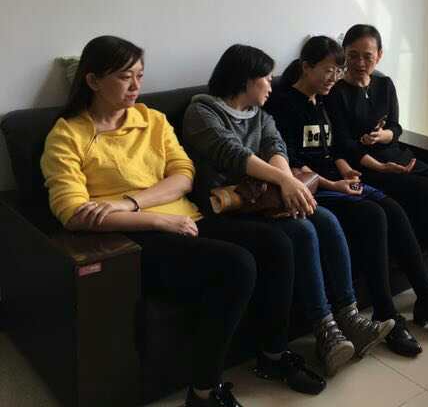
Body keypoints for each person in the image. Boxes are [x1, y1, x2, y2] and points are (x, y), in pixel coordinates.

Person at [40, 36, 262, 407]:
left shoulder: (152, 119)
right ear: (93, 81)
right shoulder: (67, 135)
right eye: (125, 77)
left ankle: (273, 355)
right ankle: (204, 391)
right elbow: (73, 212)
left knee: (276, 243)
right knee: (238, 264)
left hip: (185, 218)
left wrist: (128, 202)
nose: (135, 86)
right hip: (137, 240)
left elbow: (183, 175)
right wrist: (157, 221)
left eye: (140, 76)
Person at [181, 44, 394, 377]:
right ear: (245, 80)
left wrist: (288, 187)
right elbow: (232, 154)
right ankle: (326, 331)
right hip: (228, 206)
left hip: (266, 200)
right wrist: (286, 181)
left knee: (325, 218)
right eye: (266, 78)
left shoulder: (260, 115)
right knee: (303, 229)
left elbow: (275, 146)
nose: (272, 84)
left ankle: (350, 318)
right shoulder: (202, 112)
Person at [268, 36, 428, 353]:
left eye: (337, 71)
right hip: (314, 188)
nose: (334, 78)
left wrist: (346, 171)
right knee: (374, 215)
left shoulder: (321, 100)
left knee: (394, 210)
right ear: (306, 67)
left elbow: (333, 151)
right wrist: (334, 185)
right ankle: (387, 313)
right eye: (328, 70)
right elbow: (290, 164)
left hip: (336, 181)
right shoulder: (282, 105)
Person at [326, 25, 428, 317]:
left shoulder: (384, 84)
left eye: (367, 55)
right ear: (345, 55)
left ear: (379, 55)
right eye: (353, 55)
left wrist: (385, 136)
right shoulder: (336, 93)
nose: (360, 63)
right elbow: (343, 145)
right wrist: (379, 163)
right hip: (370, 168)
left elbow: (396, 127)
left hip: (398, 156)